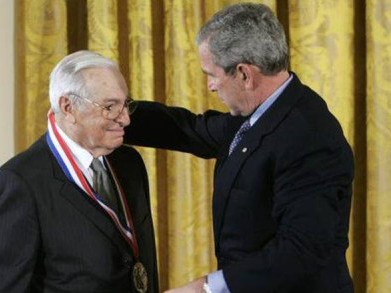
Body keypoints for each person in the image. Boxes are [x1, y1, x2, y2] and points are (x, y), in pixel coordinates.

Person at [124, 3, 354, 293]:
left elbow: (300, 251)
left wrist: (206, 288)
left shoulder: (310, 138)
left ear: (245, 74)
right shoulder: (260, 112)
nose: (210, 86)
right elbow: (190, 130)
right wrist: (117, 112)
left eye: (211, 74)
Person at [0, 50, 158, 293]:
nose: (125, 119)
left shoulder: (129, 162)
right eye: (110, 107)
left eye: (125, 104)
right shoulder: (21, 183)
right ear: (68, 107)